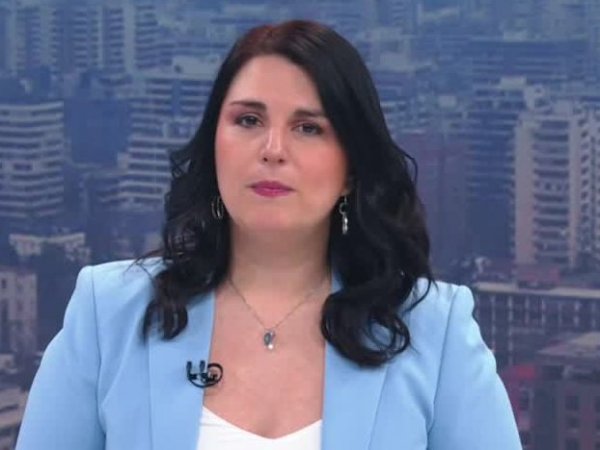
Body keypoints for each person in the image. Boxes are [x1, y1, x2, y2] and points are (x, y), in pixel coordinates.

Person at [15, 19, 522, 450]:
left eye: (308, 127)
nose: (273, 149)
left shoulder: (434, 330)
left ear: (351, 169)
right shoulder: (108, 314)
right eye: (249, 120)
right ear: (214, 144)